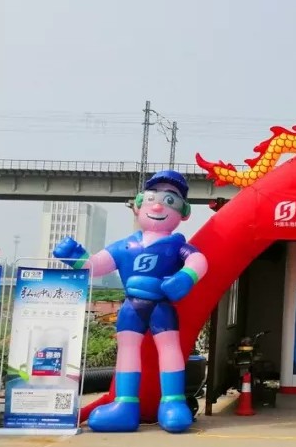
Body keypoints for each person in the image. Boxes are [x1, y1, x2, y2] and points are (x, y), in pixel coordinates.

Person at [53, 170, 206, 433]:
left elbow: (198, 260)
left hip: (161, 306)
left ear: (184, 212)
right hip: (131, 308)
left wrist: (186, 277)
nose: (157, 206)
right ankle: (124, 404)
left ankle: (173, 402)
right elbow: (96, 265)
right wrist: (77, 258)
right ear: (138, 204)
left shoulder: (176, 245)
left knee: (169, 350)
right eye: (151, 198)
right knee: (127, 352)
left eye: (170, 201)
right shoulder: (126, 245)